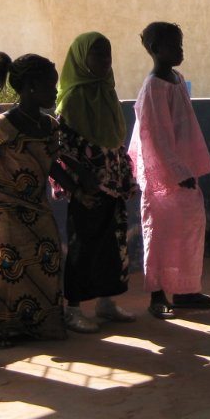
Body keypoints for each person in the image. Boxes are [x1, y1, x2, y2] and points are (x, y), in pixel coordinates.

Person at [127, 22, 210, 319]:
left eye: (181, 44)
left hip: (184, 172)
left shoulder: (177, 79)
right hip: (164, 177)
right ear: (156, 49)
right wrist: (178, 172)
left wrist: (186, 169)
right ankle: (157, 295)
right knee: (160, 233)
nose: (181, 50)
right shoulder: (153, 87)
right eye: (174, 45)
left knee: (190, 229)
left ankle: (185, 290)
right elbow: (154, 136)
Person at [0, 52, 68, 347]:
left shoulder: (50, 126)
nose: (55, 92)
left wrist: (78, 187)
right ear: (31, 87)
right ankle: (3, 327)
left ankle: (41, 323)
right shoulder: (1, 125)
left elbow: (53, 164)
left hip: (36, 203)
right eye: (51, 86)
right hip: (4, 203)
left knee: (49, 254)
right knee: (12, 260)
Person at [55, 32, 136, 333]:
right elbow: (62, 146)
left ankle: (105, 301)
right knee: (83, 245)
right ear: (81, 58)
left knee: (111, 244)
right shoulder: (73, 98)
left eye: (108, 54)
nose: (105, 60)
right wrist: (83, 178)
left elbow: (116, 142)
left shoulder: (107, 92)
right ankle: (73, 308)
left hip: (112, 184)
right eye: (98, 54)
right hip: (87, 189)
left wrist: (122, 177)